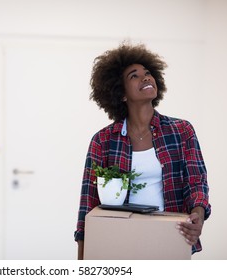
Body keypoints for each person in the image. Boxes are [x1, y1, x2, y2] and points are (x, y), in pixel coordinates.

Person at [74, 42, 211, 260]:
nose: (146, 78)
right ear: (121, 94)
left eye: (148, 73)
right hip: (117, 239)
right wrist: (82, 263)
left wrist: (198, 216)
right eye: (134, 76)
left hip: (170, 235)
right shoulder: (103, 141)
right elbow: (88, 204)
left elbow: (196, 182)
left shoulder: (181, 131)